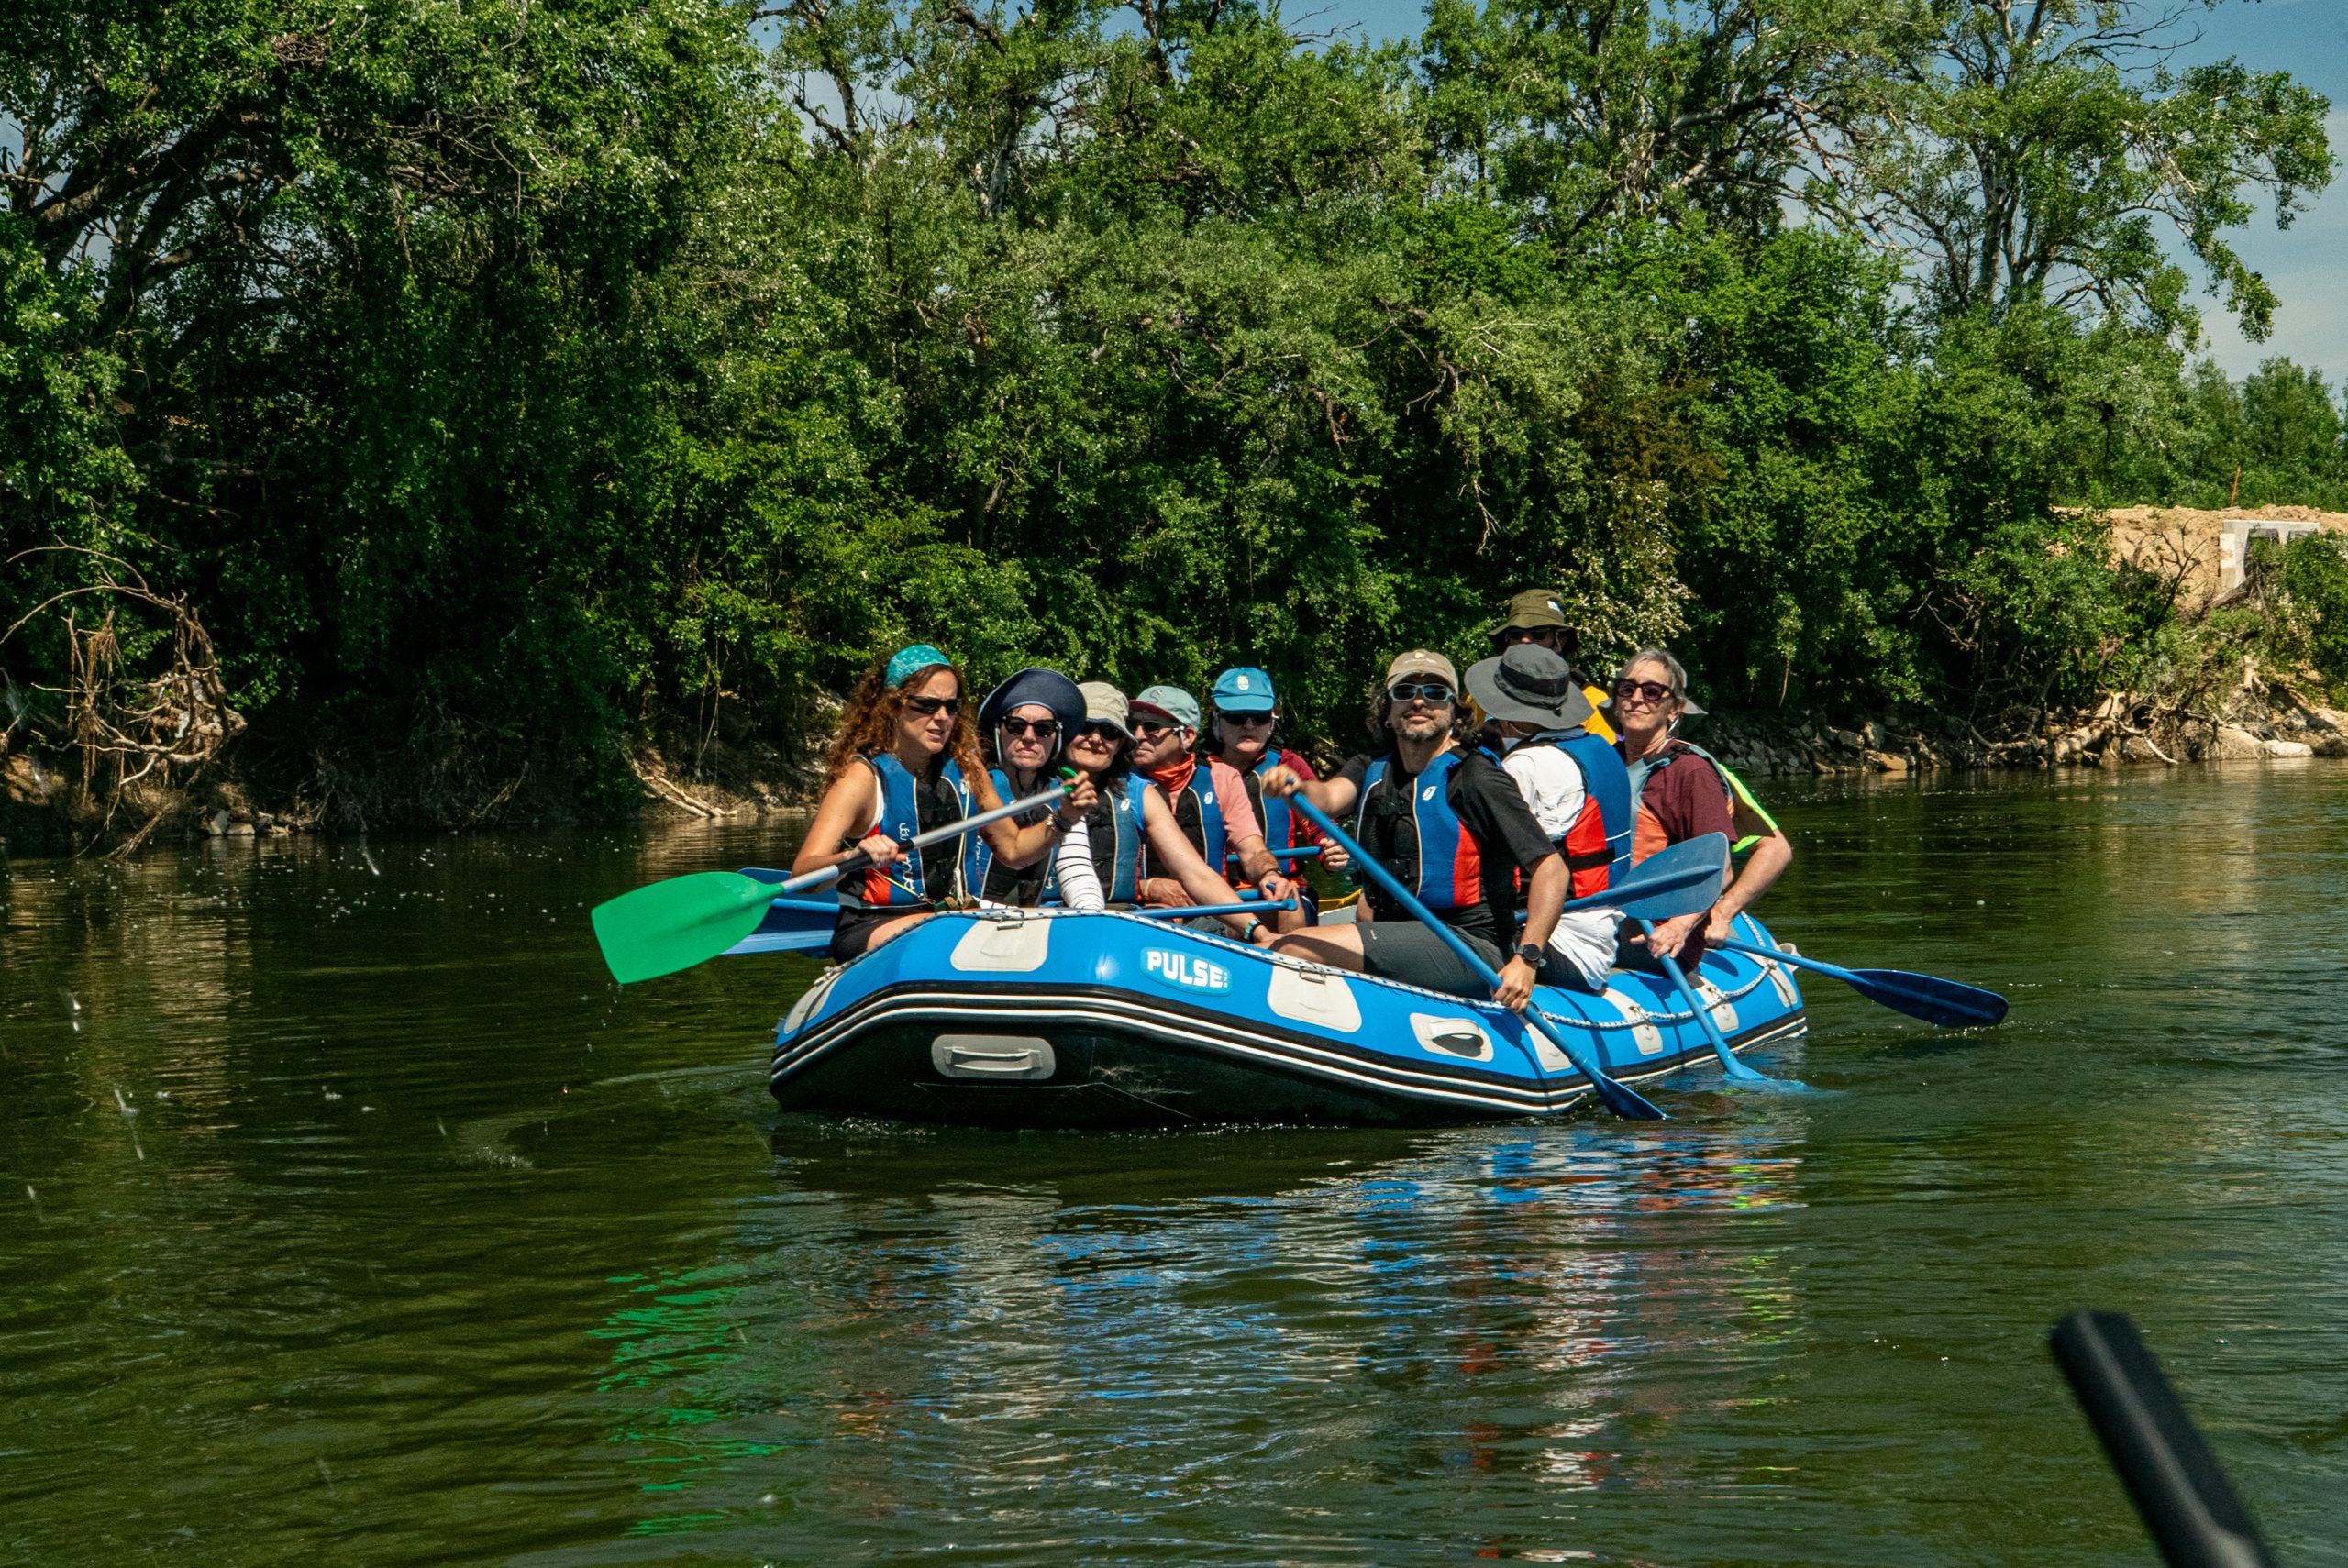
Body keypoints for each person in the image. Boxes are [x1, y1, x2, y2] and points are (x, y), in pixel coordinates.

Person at [1258, 650, 1573, 1010]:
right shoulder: (1371, 767)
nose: (1419, 701)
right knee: (1266, 948)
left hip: (1469, 943)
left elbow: (1552, 869)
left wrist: (1527, 959)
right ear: (1388, 711)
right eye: (1405, 692)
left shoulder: (1476, 778)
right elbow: (1328, 797)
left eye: (1436, 693)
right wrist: (1296, 789)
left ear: (1454, 711)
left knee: (1294, 947)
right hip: (1402, 930)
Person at [792, 645, 1093, 961]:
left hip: (954, 918)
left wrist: (1064, 817)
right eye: (927, 705)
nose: (941, 718)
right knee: (946, 934)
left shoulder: (967, 767)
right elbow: (803, 876)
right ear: (892, 705)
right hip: (875, 923)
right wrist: (853, 856)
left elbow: (1015, 851)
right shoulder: (861, 778)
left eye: (951, 707)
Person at [1050, 682, 1278, 948]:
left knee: (1279, 916)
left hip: (1123, 921)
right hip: (1047, 919)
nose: (1096, 739)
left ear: (1120, 742)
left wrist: (1257, 931)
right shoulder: (1036, 788)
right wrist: (1148, 887)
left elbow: (1195, 873)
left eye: (1110, 732)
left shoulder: (1139, 793)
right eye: (1086, 727)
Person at [1609, 646, 1793, 967]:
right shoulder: (1605, 762)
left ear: (1674, 709)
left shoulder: (1692, 772)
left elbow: (1751, 857)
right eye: (1627, 688)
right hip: (1600, 923)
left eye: (1652, 691)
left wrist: (1702, 918)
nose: (1636, 698)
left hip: (1654, 937)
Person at [1461, 642, 1627, 992]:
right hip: (1601, 931)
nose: (1492, 719)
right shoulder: (1599, 747)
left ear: (1515, 714)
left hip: (1562, 941)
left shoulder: (1526, 766)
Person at [1126, 684, 1304, 933]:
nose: (1138, 735)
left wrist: (1270, 874)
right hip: (1149, 909)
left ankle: (1286, 957)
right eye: (1132, 725)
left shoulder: (1222, 778)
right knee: (1163, 922)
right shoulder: (1118, 785)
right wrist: (1148, 887)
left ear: (1188, 736)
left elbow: (1251, 849)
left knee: (1288, 901)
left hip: (1214, 907)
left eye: (1151, 727)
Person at [1202, 666, 1351, 891]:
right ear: (1216, 720)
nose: (1249, 725)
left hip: (1284, 889)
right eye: (1236, 717)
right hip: (1214, 894)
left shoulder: (1289, 764)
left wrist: (1332, 849)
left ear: (1272, 721)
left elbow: (1319, 824)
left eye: (1259, 717)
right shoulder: (1195, 770)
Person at [963, 666, 1087, 907]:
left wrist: (1091, 912)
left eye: (1043, 729)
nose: (1029, 737)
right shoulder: (968, 785)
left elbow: (1077, 870)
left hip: (1030, 920)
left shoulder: (1064, 795)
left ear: (1056, 737)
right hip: (971, 915)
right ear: (998, 732)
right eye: (1016, 726)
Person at [1491, 587, 1616, 745]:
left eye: (1539, 634)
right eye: (1516, 634)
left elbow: (1595, 757)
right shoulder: (1486, 693)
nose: (1525, 640)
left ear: (1560, 641)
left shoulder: (1591, 701)